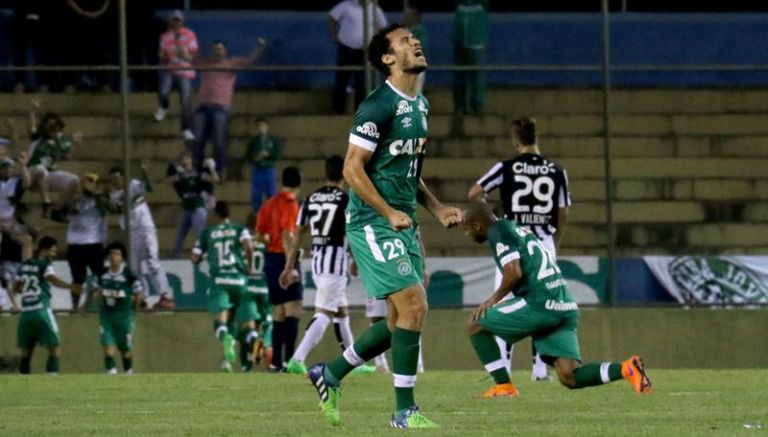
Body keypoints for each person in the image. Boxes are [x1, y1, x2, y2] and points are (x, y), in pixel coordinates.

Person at [307, 24, 463, 429]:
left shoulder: (421, 105)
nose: (415, 42)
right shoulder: (377, 105)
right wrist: (388, 212)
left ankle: (330, 373)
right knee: (415, 305)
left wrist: (436, 208)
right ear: (388, 59)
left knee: (398, 323)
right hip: (372, 221)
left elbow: (409, 172)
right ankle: (404, 411)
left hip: (402, 221)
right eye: (404, 41)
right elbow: (351, 168)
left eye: (415, 38)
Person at [461, 201, 652, 397]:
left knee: (475, 323)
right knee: (569, 376)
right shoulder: (515, 227)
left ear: (477, 225)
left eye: (466, 229)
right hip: (564, 304)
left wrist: (491, 300)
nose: (467, 234)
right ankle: (627, 369)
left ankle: (503, 386)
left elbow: (513, 272)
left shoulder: (497, 232)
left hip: (539, 302)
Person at [469, 116, 572, 381]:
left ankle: (503, 371)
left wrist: (492, 218)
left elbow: (474, 193)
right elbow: (562, 213)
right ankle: (539, 371)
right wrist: (553, 244)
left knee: (503, 302)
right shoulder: (557, 170)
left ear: (516, 142)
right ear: (536, 138)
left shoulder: (505, 168)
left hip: (513, 240)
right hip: (543, 243)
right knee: (542, 302)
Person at [281, 156, 374, 375]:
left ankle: (354, 362)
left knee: (341, 312)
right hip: (335, 260)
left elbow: (298, 235)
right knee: (324, 313)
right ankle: (297, 358)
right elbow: (353, 232)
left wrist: (288, 265)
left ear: (325, 174)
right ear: (343, 173)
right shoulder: (345, 199)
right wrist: (357, 258)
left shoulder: (311, 198)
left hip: (317, 259)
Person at [191, 201, 254, 373]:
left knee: (221, 321)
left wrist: (205, 256)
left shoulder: (208, 233)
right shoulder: (240, 229)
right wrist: (249, 266)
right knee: (241, 322)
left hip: (219, 281)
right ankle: (231, 360)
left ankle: (226, 338)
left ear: (215, 215)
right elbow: (249, 246)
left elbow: (194, 258)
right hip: (239, 280)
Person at [191, 38, 268, 176]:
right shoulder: (205, 63)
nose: (217, 52)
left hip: (220, 107)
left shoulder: (231, 63)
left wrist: (258, 48)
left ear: (225, 51)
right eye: (215, 49)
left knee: (219, 140)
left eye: (219, 49)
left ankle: (219, 169)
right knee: (198, 139)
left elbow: (248, 62)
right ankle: (197, 169)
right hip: (202, 106)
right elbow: (190, 59)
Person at [256, 167, 303, 372]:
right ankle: (290, 360)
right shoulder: (290, 203)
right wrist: (289, 265)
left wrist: (269, 240)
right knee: (293, 309)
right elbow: (287, 234)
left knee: (278, 311)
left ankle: (276, 362)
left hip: (270, 259)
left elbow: (259, 234)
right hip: (285, 259)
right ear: (298, 183)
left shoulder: (268, 204)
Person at [108, 164, 175, 310]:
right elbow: (118, 209)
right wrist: (133, 201)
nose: (115, 182)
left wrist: (145, 173)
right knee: (133, 267)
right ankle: (142, 297)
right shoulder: (113, 195)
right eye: (112, 179)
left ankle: (165, 296)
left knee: (152, 260)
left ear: (123, 177)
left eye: (117, 178)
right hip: (131, 232)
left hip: (145, 228)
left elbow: (149, 188)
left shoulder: (133, 184)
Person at [10, 236, 72, 374]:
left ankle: (24, 382)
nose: (54, 254)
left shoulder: (25, 265)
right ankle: (52, 378)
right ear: (44, 250)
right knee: (55, 346)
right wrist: (70, 286)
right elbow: (53, 279)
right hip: (41, 310)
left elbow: (16, 288)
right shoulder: (45, 265)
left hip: (25, 313)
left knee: (26, 350)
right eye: (52, 251)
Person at [84, 242, 143, 375]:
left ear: (122, 258)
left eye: (117, 254)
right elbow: (93, 290)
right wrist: (86, 306)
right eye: (111, 253)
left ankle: (129, 372)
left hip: (124, 317)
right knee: (108, 350)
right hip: (107, 316)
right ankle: (111, 376)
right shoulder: (101, 274)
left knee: (125, 351)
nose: (113, 256)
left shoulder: (129, 275)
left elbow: (138, 292)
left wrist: (136, 310)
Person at [328, 0, 387, 114]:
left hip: (364, 51)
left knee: (362, 82)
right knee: (342, 79)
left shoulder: (374, 9)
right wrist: (334, 35)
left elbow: (383, 27)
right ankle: (338, 110)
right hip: (346, 49)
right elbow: (331, 17)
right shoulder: (346, 5)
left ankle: (359, 112)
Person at [26, 107, 82, 218]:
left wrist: (75, 144)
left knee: (75, 180)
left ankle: (57, 210)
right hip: (32, 174)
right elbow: (31, 126)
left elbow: (68, 157)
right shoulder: (38, 137)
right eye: (49, 124)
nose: (52, 128)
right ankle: (46, 203)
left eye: (54, 125)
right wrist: (33, 112)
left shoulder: (60, 142)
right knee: (40, 169)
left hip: (49, 174)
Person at [64, 173, 109, 309]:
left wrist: (95, 194)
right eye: (88, 182)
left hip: (93, 242)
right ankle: (75, 306)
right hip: (76, 244)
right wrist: (76, 198)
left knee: (102, 276)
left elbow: (107, 207)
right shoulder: (75, 198)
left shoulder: (100, 200)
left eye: (93, 183)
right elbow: (65, 212)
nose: (90, 185)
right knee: (77, 278)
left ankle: (108, 304)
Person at [155, 10, 198, 141]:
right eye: (174, 20)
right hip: (170, 68)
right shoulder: (165, 36)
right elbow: (161, 54)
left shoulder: (189, 34)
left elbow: (192, 55)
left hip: (185, 70)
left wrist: (180, 46)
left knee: (185, 101)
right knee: (163, 91)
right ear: (171, 21)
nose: (176, 22)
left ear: (182, 21)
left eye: (178, 20)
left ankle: (186, 129)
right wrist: (164, 56)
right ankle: (163, 106)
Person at [167, 151, 219, 259]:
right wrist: (172, 169)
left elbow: (215, 179)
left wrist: (211, 168)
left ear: (191, 160)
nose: (184, 161)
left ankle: (208, 255)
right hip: (186, 208)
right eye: (183, 159)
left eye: (187, 158)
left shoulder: (198, 174)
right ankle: (176, 257)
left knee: (200, 234)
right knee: (180, 235)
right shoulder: (181, 175)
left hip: (198, 208)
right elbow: (167, 180)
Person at [452, 0, 488, 115]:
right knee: (459, 77)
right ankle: (460, 107)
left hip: (476, 45)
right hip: (459, 44)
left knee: (476, 77)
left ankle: (477, 106)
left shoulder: (480, 5)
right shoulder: (460, 7)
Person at [244, 118, 281, 213]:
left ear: (267, 127)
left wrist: (268, 155)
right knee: (256, 194)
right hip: (258, 169)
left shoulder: (273, 140)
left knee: (271, 193)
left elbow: (277, 154)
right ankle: (257, 215)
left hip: (269, 169)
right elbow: (248, 156)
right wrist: (256, 158)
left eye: (263, 126)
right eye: (259, 126)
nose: (261, 128)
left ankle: (273, 215)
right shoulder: (254, 141)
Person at [0, 153, 33, 261]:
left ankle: (27, 267)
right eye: (4, 168)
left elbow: (27, 183)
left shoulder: (13, 182)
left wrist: (23, 166)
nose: (8, 170)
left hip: (10, 220)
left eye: (9, 168)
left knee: (27, 240)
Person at [403, 4, 428, 94]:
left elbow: (422, 48)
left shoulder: (420, 30)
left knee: (416, 92)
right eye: (406, 16)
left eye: (409, 15)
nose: (407, 17)